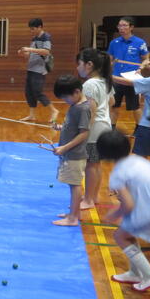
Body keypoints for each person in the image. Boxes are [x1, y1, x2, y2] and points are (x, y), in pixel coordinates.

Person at [96, 129, 150, 292]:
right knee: (128, 233)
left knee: (120, 236)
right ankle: (135, 273)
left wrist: (114, 214)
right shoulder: (139, 160)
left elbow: (128, 205)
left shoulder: (118, 173)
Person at [76, 48, 114, 210]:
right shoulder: (105, 81)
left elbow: (90, 111)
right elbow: (111, 102)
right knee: (96, 164)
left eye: (79, 64)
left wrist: (83, 131)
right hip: (105, 126)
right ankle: (94, 196)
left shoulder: (90, 84)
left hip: (94, 129)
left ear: (89, 65)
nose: (77, 68)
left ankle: (88, 200)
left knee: (90, 165)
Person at [51, 75, 90, 227]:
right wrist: (61, 127)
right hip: (70, 153)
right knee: (72, 184)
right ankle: (75, 213)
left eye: (66, 97)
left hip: (75, 154)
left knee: (75, 185)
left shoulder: (83, 108)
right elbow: (74, 127)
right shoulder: (75, 105)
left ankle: (73, 218)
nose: (65, 101)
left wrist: (65, 148)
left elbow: (84, 133)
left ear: (77, 92)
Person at [108, 16, 149, 128]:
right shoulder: (114, 43)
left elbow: (146, 59)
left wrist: (141, 67)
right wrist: (109, 67)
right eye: (119, 25)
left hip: (131, 80)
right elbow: (110, 60)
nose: (121, 28)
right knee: (114, 106)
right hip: (116, 79)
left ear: (131, 27)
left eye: (124, 25)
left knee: (135, 107)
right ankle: (112, 129)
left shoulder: (139, 42)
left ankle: (139, 129)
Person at [18, 18, 59, 123]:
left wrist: (29, 49)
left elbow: (46, 52)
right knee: (29, 92)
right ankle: (32, 115)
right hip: (31, 68)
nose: (31, 31)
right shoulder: (34, 38)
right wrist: (23, 53)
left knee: (37, 92)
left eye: (33, 29)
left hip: (39, 70)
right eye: (30, 29)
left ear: (40, 27)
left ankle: (54, 110)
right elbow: (29, 55)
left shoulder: (46, 37)